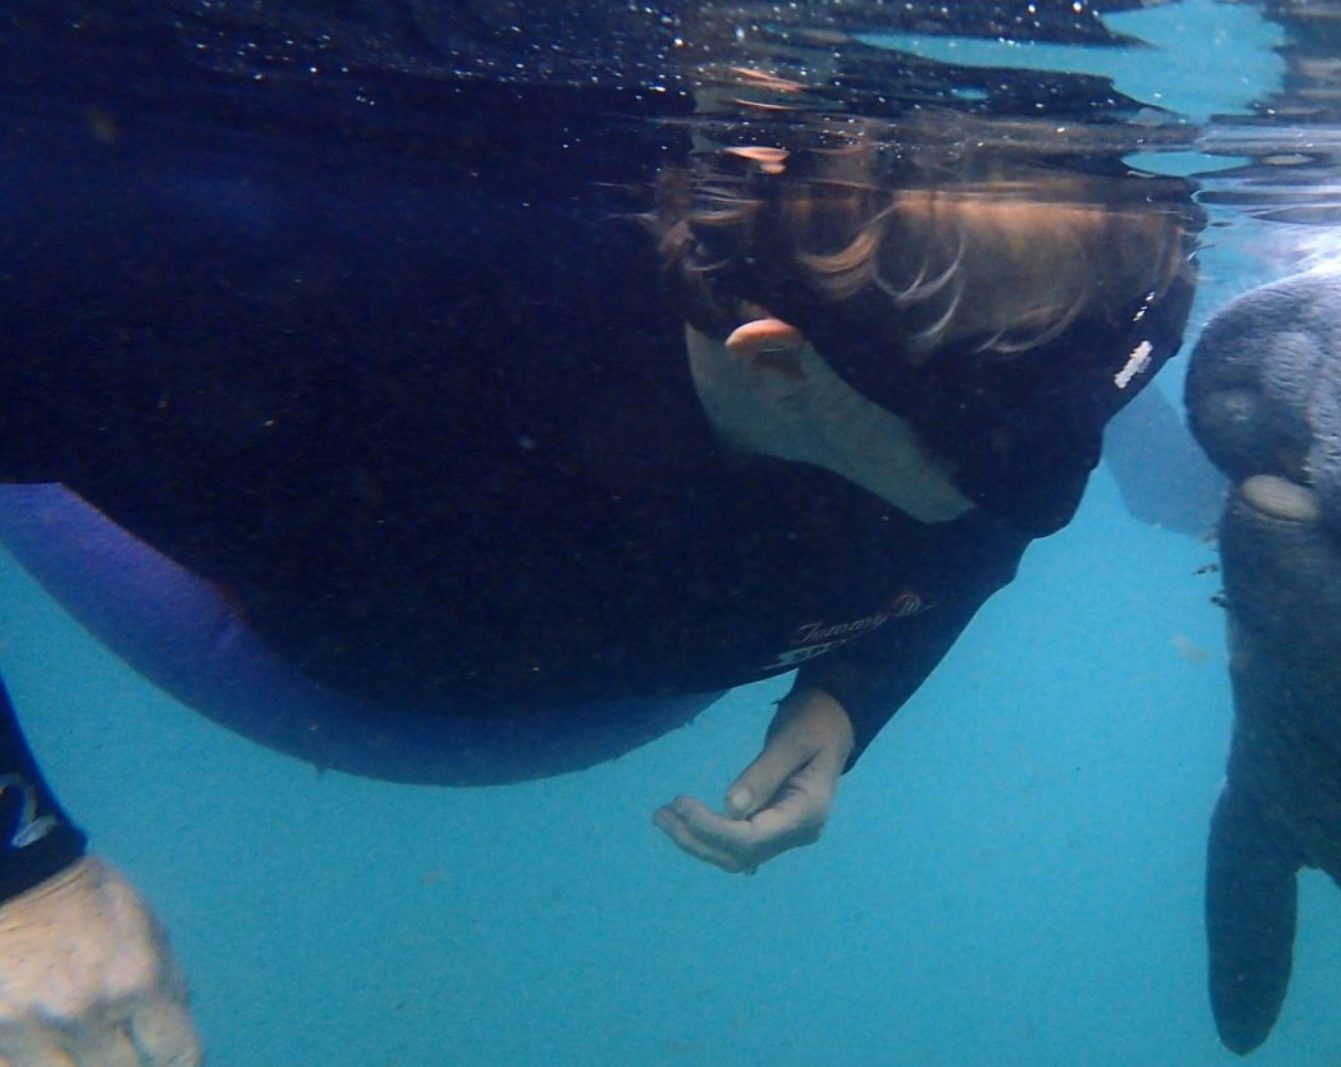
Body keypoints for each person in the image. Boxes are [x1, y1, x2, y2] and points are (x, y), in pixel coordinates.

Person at [0, 115, 1202, 1060]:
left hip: (597, 662)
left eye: (1098, 405)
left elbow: (979, 526)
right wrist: (23, 880)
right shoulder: (360, 312)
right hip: (280, 660)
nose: (1058, 479)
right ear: (777, 366)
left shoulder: (978, 376)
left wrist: (850, 694)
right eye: (1010, 453)